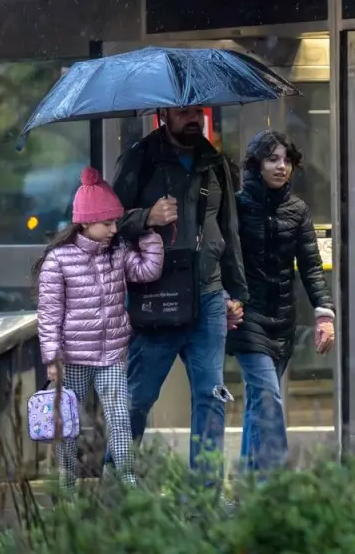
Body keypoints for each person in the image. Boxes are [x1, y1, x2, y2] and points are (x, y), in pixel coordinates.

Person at [108, 106, 249, 474]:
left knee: (211, 397)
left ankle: (205, 498)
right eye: (183, 111)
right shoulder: (139, 158)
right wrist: (146, 217)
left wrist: (237, 293)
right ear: (163, 114)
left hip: (208, 296)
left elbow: (228, 230)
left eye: (196, 111)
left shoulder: (213, 161)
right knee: (139, 396)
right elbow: (105, 223)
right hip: (157, 297)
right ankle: (111, 486)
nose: (193, 118)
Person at [35, 167, 163, 491]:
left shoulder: (116, 253)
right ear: (86, 221)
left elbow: (146, 270)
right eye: (107, 223)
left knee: (120, 417)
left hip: (110, 356)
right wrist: (52, 359)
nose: (113, 229)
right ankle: (66, 481)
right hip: (73, 359)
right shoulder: (59, 260)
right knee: (67, 424)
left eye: (115, 222)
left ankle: (126, 478)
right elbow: (49, 313)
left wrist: (150, 234)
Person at [226, 130, 335, 473]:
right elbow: (223, 258)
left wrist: (324, 315)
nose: (281, 166)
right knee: (269, 398)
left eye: (286, 160)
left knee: (259, 403)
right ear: (257, 164)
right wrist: (228, 298)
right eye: (273, 159)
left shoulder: (297, 210)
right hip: (247, 317)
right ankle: (278, 485)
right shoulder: (238, 206)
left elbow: (311, 265)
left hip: (282, 320)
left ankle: (248, 483)